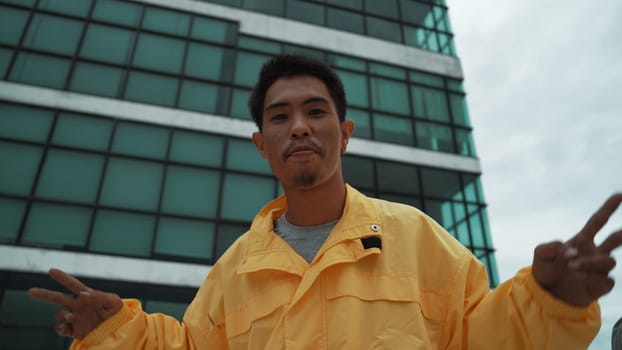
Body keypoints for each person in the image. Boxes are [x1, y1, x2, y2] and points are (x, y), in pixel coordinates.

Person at [29, 55, 622, 349]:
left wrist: (547, 301)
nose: (300, 128)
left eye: (317, 112)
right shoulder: (233, 272)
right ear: (262, 145)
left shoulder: (417, 239)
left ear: (347, 131)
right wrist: (113, 335)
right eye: (280, 116)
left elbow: (480, 339)